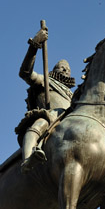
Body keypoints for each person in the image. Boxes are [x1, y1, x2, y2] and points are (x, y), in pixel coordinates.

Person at [14, 27, 76, 173]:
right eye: (62, 67)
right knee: (40, 124)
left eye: (67, 69)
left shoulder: (72, 95)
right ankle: (28, 159)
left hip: (70, 120)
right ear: (54, 69)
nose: (65, 70)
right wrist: (34, 45)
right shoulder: (45, 81)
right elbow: (25, 73)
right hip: (51, 116)